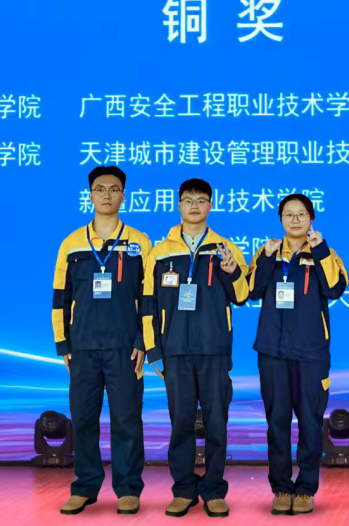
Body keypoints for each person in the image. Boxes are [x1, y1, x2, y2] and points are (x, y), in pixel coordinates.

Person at [140, 178, 249, 518]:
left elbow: (242, 295)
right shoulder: (160, 252)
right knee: (181, 424)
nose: (194, 206)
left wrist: (232, 270)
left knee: (216, 424)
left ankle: (214, 490)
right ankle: (184, 490)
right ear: (178, 205)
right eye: (188, 200)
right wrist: (153, 350)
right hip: (175, 351)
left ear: (210, 205)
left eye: (201, 200)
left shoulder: (225, 248)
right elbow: (147, 303)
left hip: (215, 350)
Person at [52, 166, 153, 516]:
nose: (107, 195)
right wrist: (63, 344)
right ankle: (84, 486)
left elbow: (149, 298)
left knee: (127, 420)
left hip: (126, 349)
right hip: (83, 348)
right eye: (100, 189)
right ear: (90, 195)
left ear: (123, 195)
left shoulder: (140, 243)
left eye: (113, 189)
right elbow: (60, 298)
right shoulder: (72, 243)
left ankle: (128, 488)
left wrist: (143, 340)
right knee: (83, 419)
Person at [247, 194, 348, 516]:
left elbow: (335, 288)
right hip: (272, 352)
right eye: (288, 214)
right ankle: (280, 487)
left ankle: (305, 488)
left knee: (309, 422)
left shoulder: (324, 252)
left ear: (311, 218)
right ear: (280, 219)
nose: (295, 220)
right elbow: (251, 291)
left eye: (301, 214)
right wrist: (266, 258)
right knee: (276, 422)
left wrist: (320, 251)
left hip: (311, 353)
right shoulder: (267, 252)